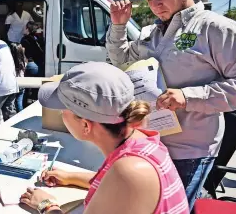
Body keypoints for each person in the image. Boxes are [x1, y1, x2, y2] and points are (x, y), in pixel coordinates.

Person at [105, 0, 236, 210]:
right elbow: (121, 59)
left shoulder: (217, 29)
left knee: (171, 208)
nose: (155, 5)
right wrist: (118, 26)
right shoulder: (152, 33)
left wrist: (188, 96)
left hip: (190, 149)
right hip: (152, 141)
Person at [20, 62, 188, 214]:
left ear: (86, 125)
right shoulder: (141, 142)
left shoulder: (130, 171)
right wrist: (70, 177)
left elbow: (125, 182)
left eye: (62, 110)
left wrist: (46, 205)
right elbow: (112, 185)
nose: (61, 114)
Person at [9, 42, 27, 112]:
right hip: (22, 83)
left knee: (11, 104)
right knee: (19, 102)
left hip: (12, 84)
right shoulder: (23, 61)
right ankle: (20, 116)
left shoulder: (9, 62)